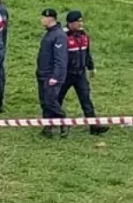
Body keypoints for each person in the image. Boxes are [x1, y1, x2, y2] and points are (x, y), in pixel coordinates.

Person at [59, 11, 110, 135]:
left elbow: (87, 53)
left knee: (86, 99)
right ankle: (52, 124)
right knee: (57, 99)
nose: (81, 23)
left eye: (81, 21)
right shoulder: (62, 36)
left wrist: (91, 67)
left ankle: (94, 126)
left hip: (80, 74)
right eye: (78, 21)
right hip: (65, 74)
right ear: (71, 23)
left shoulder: (83, 35)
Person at [36, 9, 68, 137]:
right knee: (44, 102)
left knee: (51, 101)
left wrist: (55, 76)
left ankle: (64, 122)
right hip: (43, 73)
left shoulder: (58, 35)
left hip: (51, 75)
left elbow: (60, 58)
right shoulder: (49, 34)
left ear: (50, 18)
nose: (41, 20)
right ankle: (47, 127)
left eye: (43, 17)